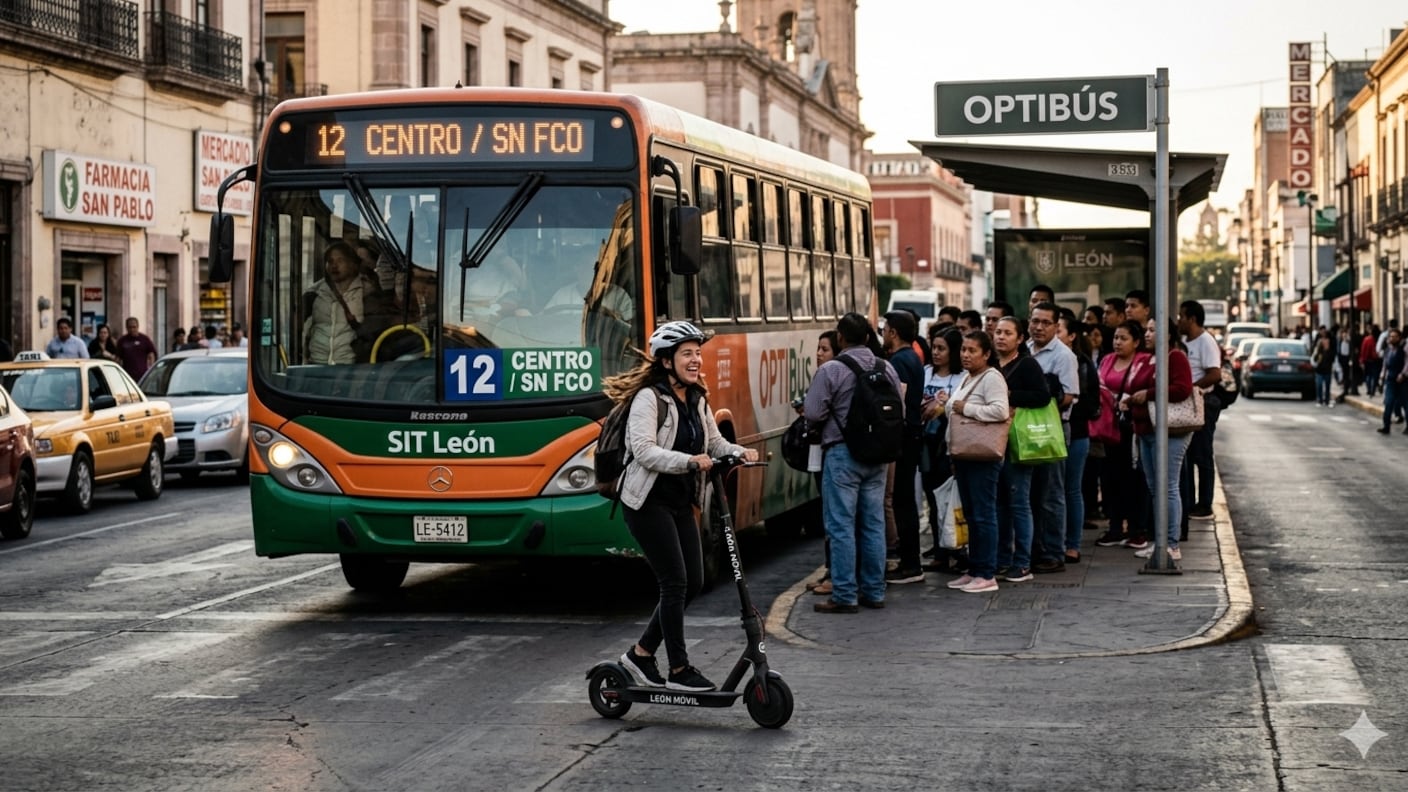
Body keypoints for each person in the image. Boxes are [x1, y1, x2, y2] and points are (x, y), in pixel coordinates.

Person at [608, 321, 756, 691]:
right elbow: (643, 451)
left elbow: (715, 442)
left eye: (697, 353)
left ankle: (641, 655)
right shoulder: (649, 398)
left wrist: (739, 453)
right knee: (674, 582)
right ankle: (678, 670)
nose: (695, 360)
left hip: (677, 501)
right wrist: (688, 461)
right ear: (666, 360)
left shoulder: (696, 398)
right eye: (687, 353)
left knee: (694, 581)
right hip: (646, 502)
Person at [804, 312, 900, 613]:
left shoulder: (831, 369)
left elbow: (813, 414)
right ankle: (874, 591)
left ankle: (844, 594)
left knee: (841, 525)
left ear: (841, 338)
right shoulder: (887, 368)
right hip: (878, 455)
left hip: (843, 454)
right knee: (873, 523)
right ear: (869, 337)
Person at [940, 330, 1010, 593]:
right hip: (964, 454)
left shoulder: (992, 378)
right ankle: (974, 569)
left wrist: (965, 408)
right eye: (964, 350)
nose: (966, 355)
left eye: (972, 351)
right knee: (971, 514)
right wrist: (948, 404)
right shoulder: (969, 377)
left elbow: (1000, 410)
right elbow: (954, 407)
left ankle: (987, 573)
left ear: (986, 354)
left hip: (983, 455)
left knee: (983, 514)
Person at [1126, 318, 1195, 561]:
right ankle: (1159, 540)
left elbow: (1182, 389)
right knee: (1155, 488)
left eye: (1152, 330)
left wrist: (1148, 394)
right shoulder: (1149, 359)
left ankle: (1172, 543)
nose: (1147, 334)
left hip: (1170, 431)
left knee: (1168, 486)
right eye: (1146, 329)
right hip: (1146, 429)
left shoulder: (1175, 357)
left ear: (1166, 334)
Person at [991, 316, 1047, 582]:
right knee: (1000, 504)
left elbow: (1042, 396)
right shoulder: (991, 365)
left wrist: (1010, 395)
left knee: (1019, 503)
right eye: (998, 332)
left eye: (1007, 333)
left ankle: (1022, 562)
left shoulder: (1027, 364)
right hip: (993, 443)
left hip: (1018, 442)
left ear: (1020, 338)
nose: (1000, 337)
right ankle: (1003, 558)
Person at [1026, 302, 1079, 574]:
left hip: (1052, 429)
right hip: (1024, 432)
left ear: (1056, 327)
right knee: (1030, 494)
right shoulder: (1023, 350)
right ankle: (1033, 549)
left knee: (1051, 493)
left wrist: (1035, 406)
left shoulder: (1063, 355)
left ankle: (1053, 552)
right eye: (1035, 321)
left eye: (1045, 323)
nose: (1038, 327)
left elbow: (1069, 397)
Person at [1094, 320, 1152, 549]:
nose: (1118, 342)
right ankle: (1115, 526)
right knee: (1110, 478)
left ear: (1136, 342)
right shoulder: (1107, 360)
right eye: (1116, 338)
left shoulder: (1143, 362)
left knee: (1135, 479)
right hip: (1108, 428)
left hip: (1131, 428)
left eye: (1123, 338)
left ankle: (1137, 528)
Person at [881, 310, 926, 585]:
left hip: (905, 437)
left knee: (902, 500)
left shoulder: (900, 361)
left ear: (894, 333)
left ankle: (911, 564)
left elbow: (898, 399)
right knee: (904, 499)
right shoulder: (913, 359)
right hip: (913, 434)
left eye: (886, 329)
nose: (883, 333)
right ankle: (911, 562)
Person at [921, 327, 966, 573]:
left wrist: (944, 405)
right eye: (934, 347)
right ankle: (939, 551)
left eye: (942, 348)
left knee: (953, 499)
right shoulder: (926, 373)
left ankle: (959, 550)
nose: (936, 353)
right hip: (926, 445)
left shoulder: (962, 378)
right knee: (933, 499)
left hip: (949, 444)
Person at [1177, 300, 1223, 533]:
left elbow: (1214, 374)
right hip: (1187, 404)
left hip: (1203, 402)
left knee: (1203, 454)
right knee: (1189, 453)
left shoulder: (1205, 341)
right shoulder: (1184, 341)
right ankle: (1191, 501)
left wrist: (1192, 387)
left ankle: (1204, 504)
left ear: (1192, 319)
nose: (1179, 320)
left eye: (1182, 316)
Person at [303, 241, 385, 365]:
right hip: (317, 364)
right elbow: (302, 328)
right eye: (330, 261)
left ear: (353, 265)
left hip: (351, 367)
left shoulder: (367, 292)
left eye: (340, 260)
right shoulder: (314, 293)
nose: (334, 266)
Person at [1058, 315, 1098, 565]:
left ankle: (1072, 544)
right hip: (1044, 431)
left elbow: (1088, 404)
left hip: (1076, 433)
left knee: (1071, 489)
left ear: (1072, 335)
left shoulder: (1081, 363)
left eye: (1058, 328)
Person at [805, 330, 841, 597]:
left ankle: (836, 576)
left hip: (832, 453)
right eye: (818, 349)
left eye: (825, 349)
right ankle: (832, 572)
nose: (819, 354)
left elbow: (816, 413)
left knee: (836, 520)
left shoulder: (831, 374)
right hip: (824, 453)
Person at [1377, 327, 1406, 434]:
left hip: (1402, 380)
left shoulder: (1404, 348)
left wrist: (1403, 374)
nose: (1392, 339)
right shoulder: (1388, 349)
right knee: (1388, 403)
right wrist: (1382, 375)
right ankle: (1386, 426)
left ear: (1399, 338)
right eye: (1391, 336)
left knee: (1405, 403)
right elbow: (1385, 363)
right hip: (1390, 379)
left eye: (1394, 337)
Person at [1311, 332, 1335, 406]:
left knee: (1327, 386)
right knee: (1319, 385)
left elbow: (1333, 360)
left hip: (1327, 371)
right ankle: (1320, 399)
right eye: (1324, 340)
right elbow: (1314, 359)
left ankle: (1327, 400)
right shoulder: (1319, 351)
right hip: (1319, 371)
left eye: (1327, 340)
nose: (1325, 342)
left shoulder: (1331, 352)